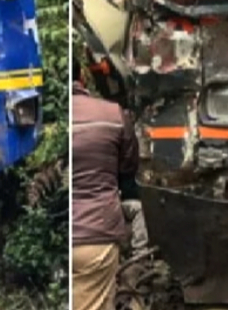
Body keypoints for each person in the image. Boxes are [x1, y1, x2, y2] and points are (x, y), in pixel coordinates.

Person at [72, 66, 140, 310]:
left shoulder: (51, 119)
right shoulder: (112, 113)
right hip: (97, 235)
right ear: (82, 77)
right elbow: (129, 166)